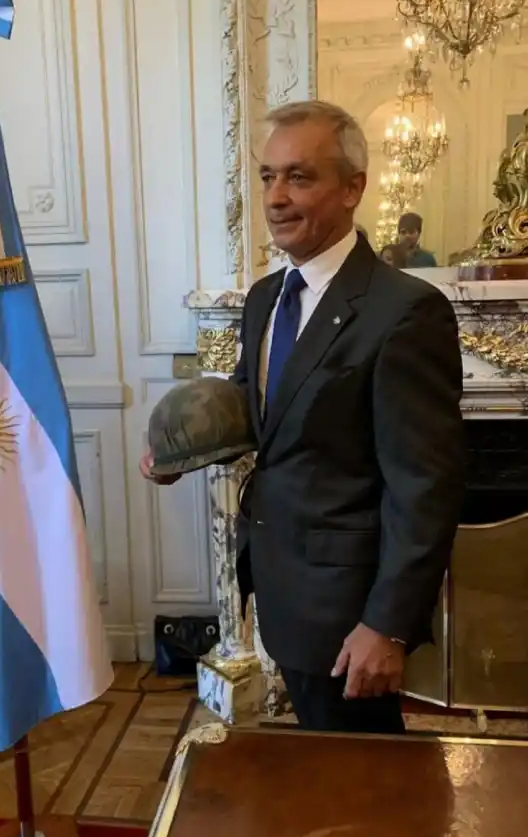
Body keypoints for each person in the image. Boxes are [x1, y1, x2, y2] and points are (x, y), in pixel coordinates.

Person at [141, 100, 464, 735]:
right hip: (282, 585)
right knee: (323, 764)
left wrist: (387, 625)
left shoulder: (405, 312)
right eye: (268, 176)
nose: (276, 197)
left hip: (349, 611)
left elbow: (425, 488)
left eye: (300, 177)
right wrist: (179, 454)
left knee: (362, 774)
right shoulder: (266, 298)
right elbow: (258, 406)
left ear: (353, 189)